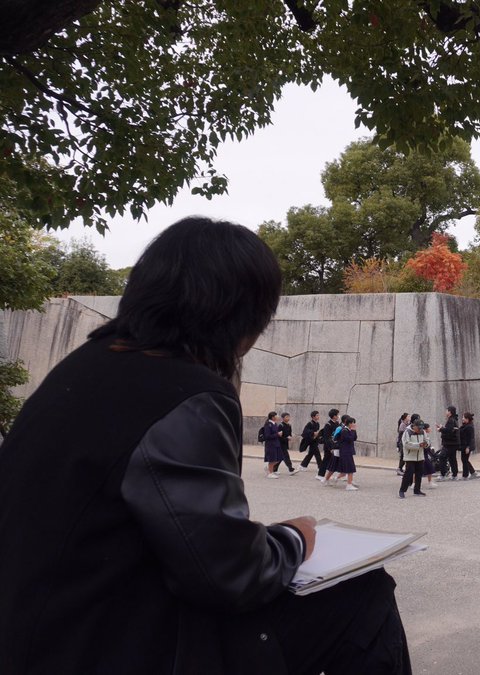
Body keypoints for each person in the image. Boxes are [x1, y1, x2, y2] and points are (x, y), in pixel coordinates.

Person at [0, 216, 410, 674]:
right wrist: (296, 536)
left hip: (41, 631)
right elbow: (231, 575)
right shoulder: (187, 393)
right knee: (364, 594)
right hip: (111, 645)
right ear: (244, 315)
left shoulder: (83, 366)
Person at [398, 417, 428, 498]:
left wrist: (426, 444)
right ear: (414, 426)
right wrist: (418, 445)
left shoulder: (423, 432)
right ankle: (402, 490)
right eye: (419, 428)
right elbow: (406, 444)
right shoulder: (407, 432)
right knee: (408, 474)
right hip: (410, 457)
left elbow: (427, 440)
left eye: (421, 428)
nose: (420, 430)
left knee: (419, 474)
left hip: (420, 457)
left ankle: (417, 490)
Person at [328, 417, 359, 491]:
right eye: (353, 423)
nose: (354, 424)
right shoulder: (344, 431)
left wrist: (354, 431)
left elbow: (354, 438)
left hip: (347, 452)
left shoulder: (349, 430)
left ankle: (338, 479)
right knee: (350, 469)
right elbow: (350, 439)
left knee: (346, 470)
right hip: (345, 452)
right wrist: (353, 431)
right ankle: (349, 485)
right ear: (349, 423)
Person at [437, 405, 461, 480]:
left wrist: (441, 429)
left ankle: (443, 474)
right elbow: (450, 430)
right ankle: (454, 475)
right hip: (453, 443)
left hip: (449, 444)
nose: (445, 412)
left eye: (447, 410)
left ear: (450, 412)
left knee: (442, 457)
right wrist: (442, 428)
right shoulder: (454, 419)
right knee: (452, 458)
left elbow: (449, 431)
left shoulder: (451, 420)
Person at [316, 408, 340, 481]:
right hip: (328, 446)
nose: (339, 416)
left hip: (334, 445)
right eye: (337, 414)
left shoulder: (336, 423)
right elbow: (327, 438)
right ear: (334, 416)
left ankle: (327, 475)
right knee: (326, 460)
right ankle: (320, 475)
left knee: (330, 460)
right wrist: (330, 448)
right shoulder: (328, 425)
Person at [262, 411, 284, 478]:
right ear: (273, 417)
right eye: (276, 416)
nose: (277, 417)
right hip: (270, 444)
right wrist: (277, 434)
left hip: (276, 443)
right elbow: (267, 436)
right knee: (272, 459)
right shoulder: (268, 424)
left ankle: (267, 467)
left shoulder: (275, 424)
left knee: (278, 458)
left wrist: (278, 434)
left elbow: (275, 434)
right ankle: (270, 473)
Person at [460, 412, 478, 478]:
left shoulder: (469, 427)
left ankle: (465, 475)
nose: (462, 419)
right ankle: (472, 472)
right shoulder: (465, 425)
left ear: (467, 419)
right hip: (464, 445)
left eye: (464, 418)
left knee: (464, 459)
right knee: (464, 459)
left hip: (467, 446)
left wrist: (468, 447)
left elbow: (471, 438)